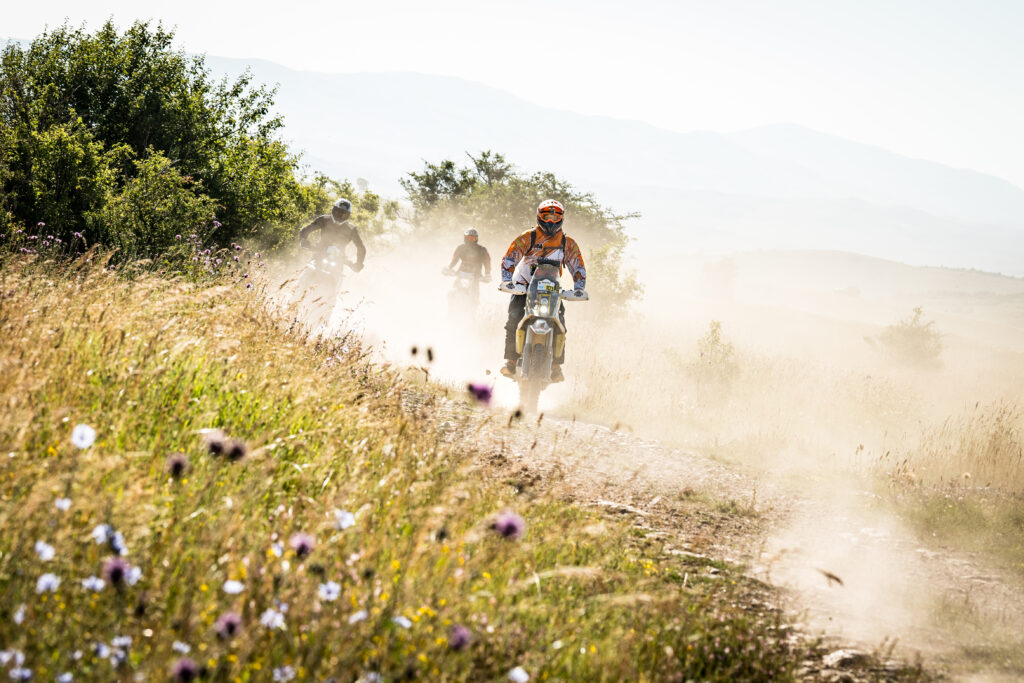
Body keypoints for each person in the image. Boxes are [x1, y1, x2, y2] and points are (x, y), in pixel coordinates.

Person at [499, 199, 587, 381]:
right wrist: (507, 280)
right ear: (540, 216)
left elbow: (577, 266)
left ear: (561, 218)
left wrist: (579, 288)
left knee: (560, 323)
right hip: (524, 286)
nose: (551, 221)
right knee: (514, 318)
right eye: (547, 216)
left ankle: (556, 367)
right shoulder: (528, 236)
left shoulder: (567, 242)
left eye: (555, 217)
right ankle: (510, 362)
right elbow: (510, 257)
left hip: (552, 290)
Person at [297, 198, 366, 270]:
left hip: (339, 259)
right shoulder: (324, 219)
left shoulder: (351, 229)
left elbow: (360, 247)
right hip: (319, 252)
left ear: (348, 216)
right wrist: (302, 239)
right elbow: (306, 229)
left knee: (338, 275)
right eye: (337, 213)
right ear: (333, 210)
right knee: (308, 269)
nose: (339, 216)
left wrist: (359, 263)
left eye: (343, 215)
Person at [445, 228, 492, 302]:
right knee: (452, 291)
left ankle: (474, 307)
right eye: (469, 238)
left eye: (473, 238)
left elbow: (487, 262)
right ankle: (451, 304)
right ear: (465, 238)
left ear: (476, 239)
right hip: (461, 273)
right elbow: (454, 259)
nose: (471, 240)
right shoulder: (461, 248)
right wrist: (449, 267)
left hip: (476, 275)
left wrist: (487, 274)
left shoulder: (482, 249)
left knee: (475, 297)